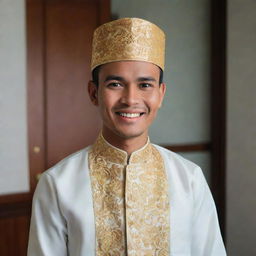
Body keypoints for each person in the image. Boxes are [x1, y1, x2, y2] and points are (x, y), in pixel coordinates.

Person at [28, 18, 226, 255]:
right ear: (94, 93)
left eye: (145, 85)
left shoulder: (190, 179)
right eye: (115, 84)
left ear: (160, 94)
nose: (131, 99)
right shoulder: (57, 184)